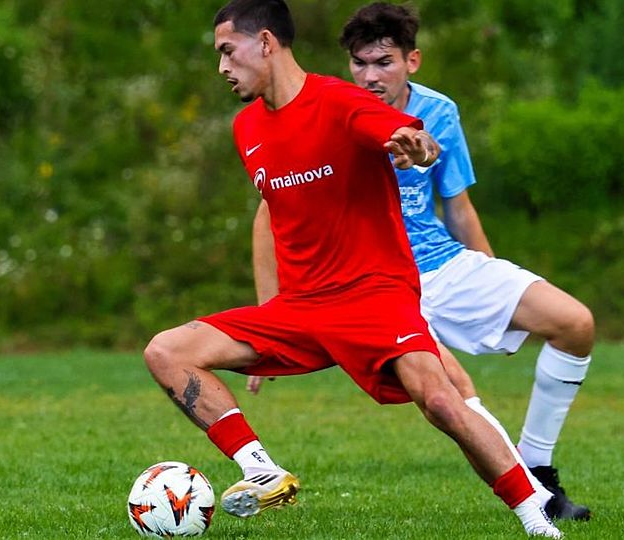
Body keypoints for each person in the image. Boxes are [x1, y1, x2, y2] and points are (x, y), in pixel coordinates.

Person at [143, 0, 562, 537]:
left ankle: (536, 517)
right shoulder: (247, 128)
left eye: (228, 51)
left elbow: (408, 136)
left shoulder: (340, 101)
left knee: (440, 400)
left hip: (374, 295)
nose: (222, 67)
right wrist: (270, 306)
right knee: (167, 351)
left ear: (265, 43)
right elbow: (272, 217)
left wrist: (418, 147)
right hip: (302, 309)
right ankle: (261, 470)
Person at [249, 1, 595, 522]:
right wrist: (269, 313)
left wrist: (493, 280)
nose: (370, 76)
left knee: (575, 324)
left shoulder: (439, 112)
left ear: (412, 61)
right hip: (376, 280)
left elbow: (457, 205)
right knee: (452, 389)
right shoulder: (332, 110)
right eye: (360, 63)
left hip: (444, 263)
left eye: (383, 62)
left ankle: (537, 467)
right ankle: (537, 500)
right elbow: (269, 213)